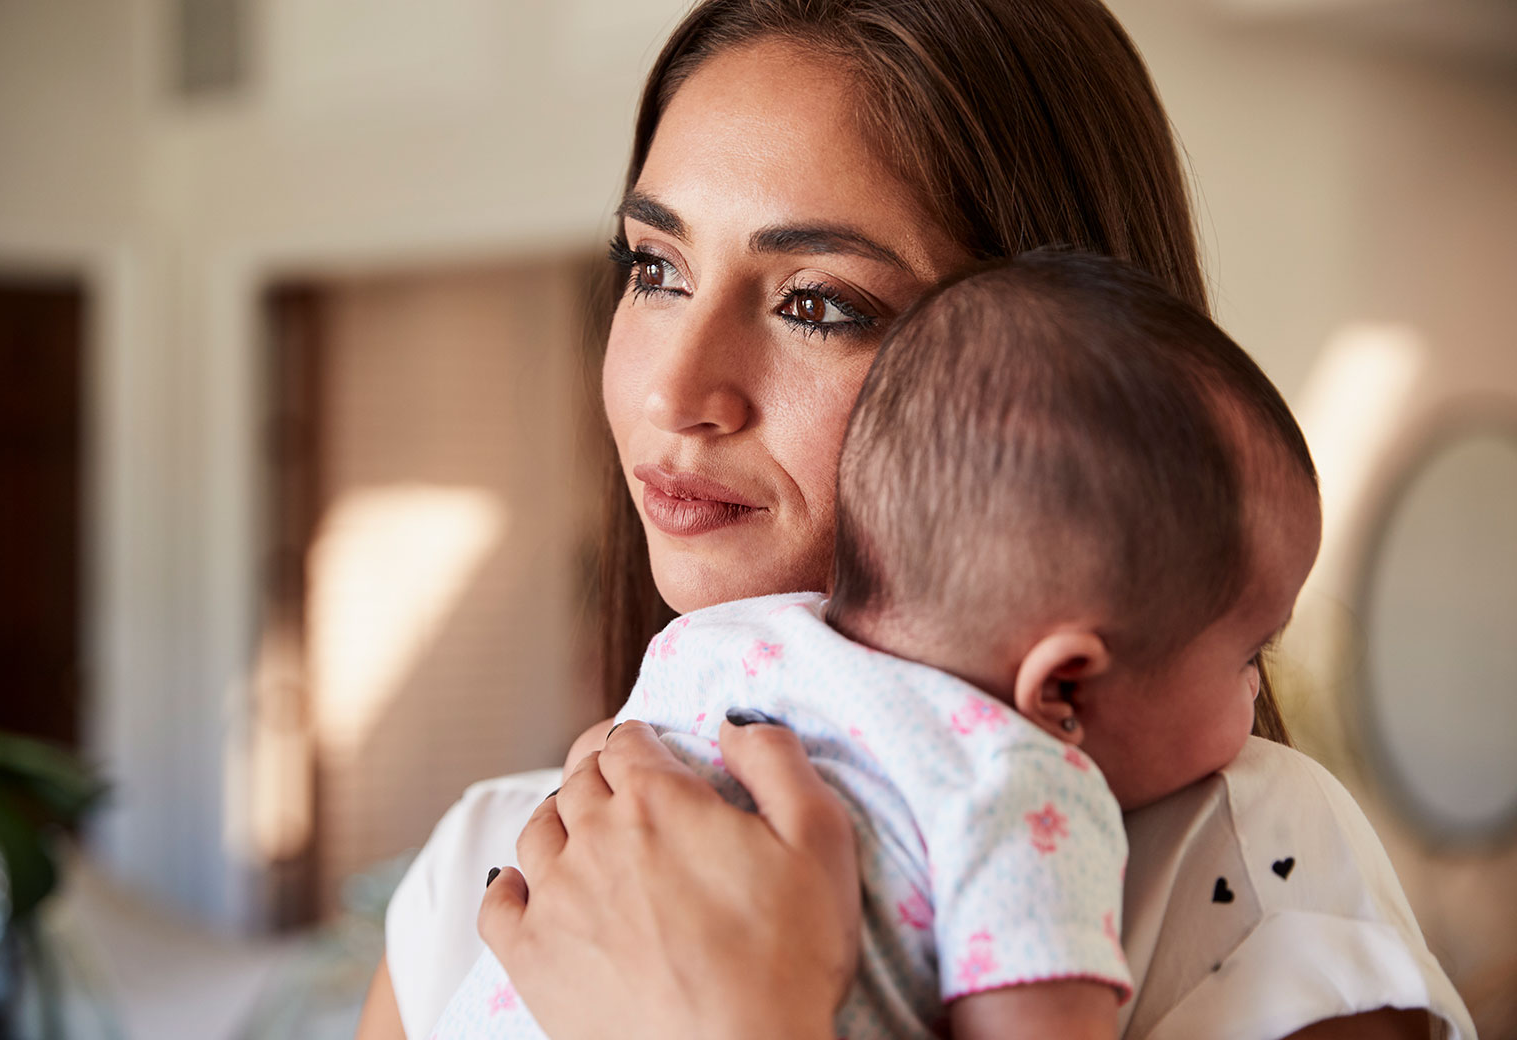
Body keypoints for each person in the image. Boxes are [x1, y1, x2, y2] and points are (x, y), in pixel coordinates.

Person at [353, 2, 1474, 1038]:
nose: (674, 393)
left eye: (817, 303)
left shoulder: (1257, 870)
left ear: (1063, 376)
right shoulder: (476, 872)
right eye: (655, 267)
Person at [428, 252, 1324, 1040]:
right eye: (1249, 654)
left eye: (816, 303)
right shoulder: (1025, 790)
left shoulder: (721, 644)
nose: (673, 392)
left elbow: (603, 760)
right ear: (1064, 690)